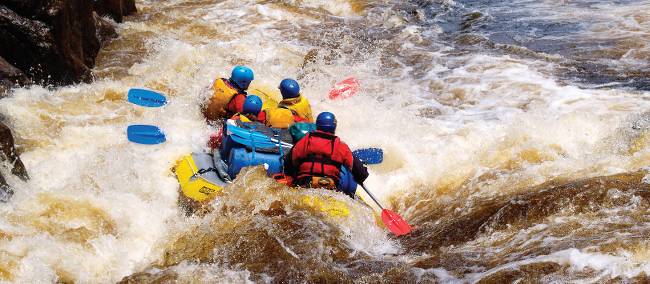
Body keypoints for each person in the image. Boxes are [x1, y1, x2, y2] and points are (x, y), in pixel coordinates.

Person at [285, 112, 368, 194]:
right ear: (334, 127)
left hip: (305, 183)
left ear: (317, 125)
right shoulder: (341, 146)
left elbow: (289, 164)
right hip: (330, 187)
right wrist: (362, 172)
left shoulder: (305, 141)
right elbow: (361, 174)